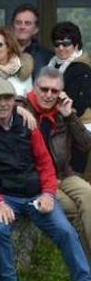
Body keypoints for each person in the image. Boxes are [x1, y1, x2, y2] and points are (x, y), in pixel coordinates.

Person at [0, 79, 91, 281]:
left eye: (7, 98)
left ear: (15, 101)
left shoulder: (26, 123)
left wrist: (47, 194)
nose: (3, 104)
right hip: (3, 195)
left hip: (34, 194)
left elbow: (44, 163)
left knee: (65, 231)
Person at [26, 67, 91, 257]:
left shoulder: (62, 113)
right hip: (38, 179)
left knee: (88, 195)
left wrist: (70, 115)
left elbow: (86, 144)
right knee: (73, 210)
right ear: (34, 88)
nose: (48, 95)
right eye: (44, 89)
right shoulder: (21, 108)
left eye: (54, 91)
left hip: (63, 174)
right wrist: (21, 110)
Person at [48, 21, 91, 175]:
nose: (61, 48)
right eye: (57, 43)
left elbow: (79, 105)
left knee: (77, 173)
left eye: (66, 44)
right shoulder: (52, 65)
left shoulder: (82, 67)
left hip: (79, 127)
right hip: (61, 125)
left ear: (76, 44)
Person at [12, 4, 52, 79]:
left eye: (27, 23)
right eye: (18, 23)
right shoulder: (1, 53)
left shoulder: (46, 57)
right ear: (12, 26)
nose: (22, 27)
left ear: (36, 29)